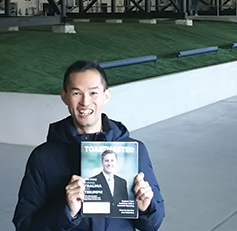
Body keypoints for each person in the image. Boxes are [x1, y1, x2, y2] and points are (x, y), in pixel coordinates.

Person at [13, 60, 164, 231]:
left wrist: (146, 208)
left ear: (106, 96)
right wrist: (67, 211)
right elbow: (24, 225)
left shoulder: (134, 151)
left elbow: (153, 223)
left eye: (93, 93)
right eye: (77, 93)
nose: (85, 102)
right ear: (64, 96)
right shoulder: (43, 157)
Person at [85, 149, 130, 215]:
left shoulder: (122, 182)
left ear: (116, 162)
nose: (109, 164)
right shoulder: (92, 181)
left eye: (112, 160)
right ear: (102, 163)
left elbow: (126, 206)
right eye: (106, 161)